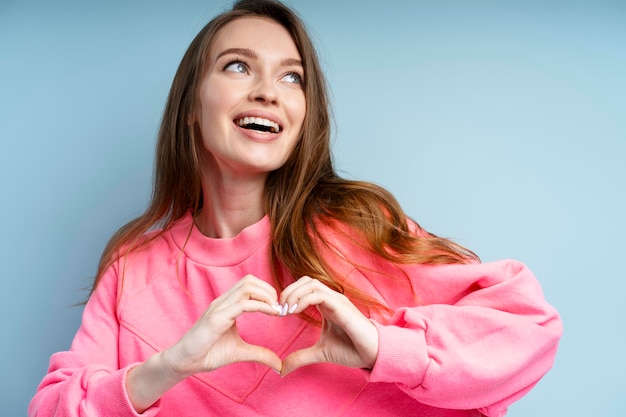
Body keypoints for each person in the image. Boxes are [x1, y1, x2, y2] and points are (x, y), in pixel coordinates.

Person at [29, 1, 562, 416]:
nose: (268, 92)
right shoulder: (133, 267)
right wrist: (167, 368)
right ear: (192, 105)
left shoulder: (356, 227)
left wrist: (383, 347)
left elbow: (528, 329)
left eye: (292, 77)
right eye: (238, 67)